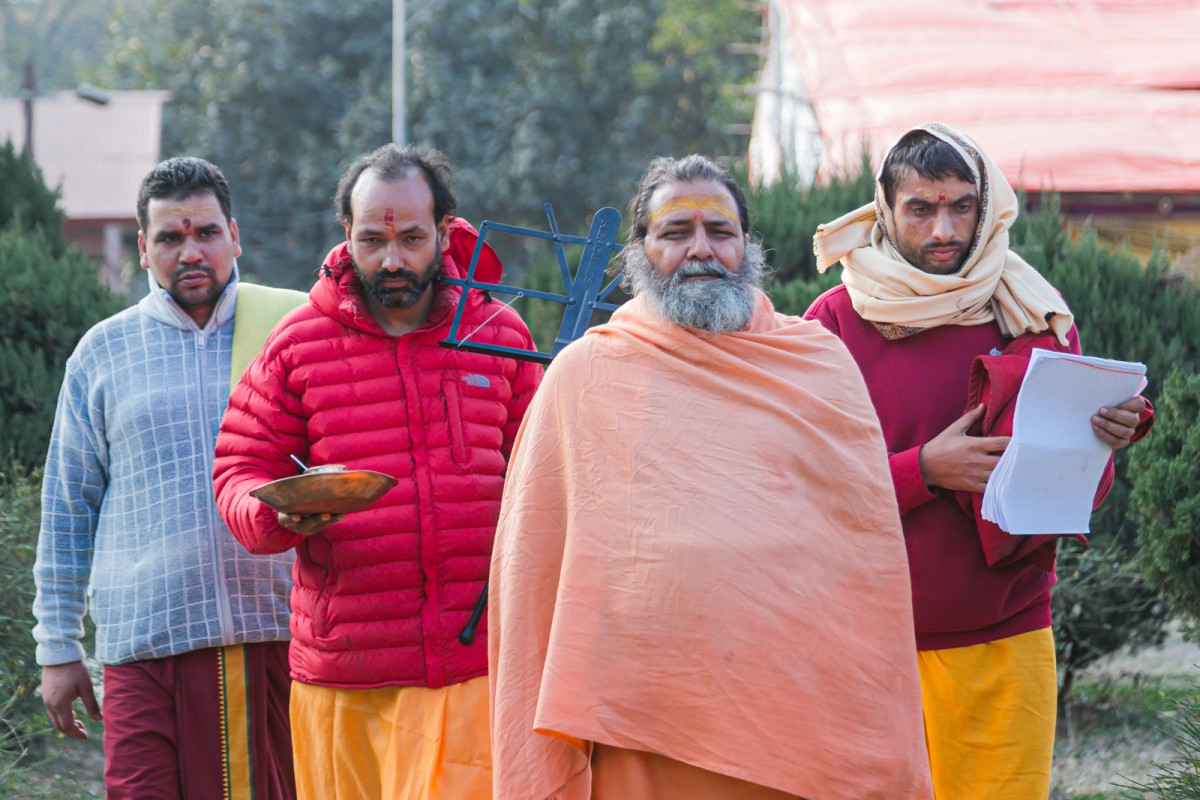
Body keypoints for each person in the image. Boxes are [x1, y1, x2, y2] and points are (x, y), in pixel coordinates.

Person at [489, 154, 933, 800]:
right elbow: (533, 573)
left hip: (798, 725)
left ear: (747, 245)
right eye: (675, 233)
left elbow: (865, 560)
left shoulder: (818, 364)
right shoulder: (584, 375)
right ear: (640, 251)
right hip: (639, 732)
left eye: (719, 232)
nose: (700, 250)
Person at [805, 122, 1153, 799]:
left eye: (962, 206)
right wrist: (924, 470)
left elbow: (1070, 493)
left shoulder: (1033, 311)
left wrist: (1102, 439)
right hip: (866, 643)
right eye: (920, 208)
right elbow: (801, 481)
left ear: (986, 206)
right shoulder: (835, 322)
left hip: (1006, 637)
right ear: (885, 209)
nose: (944, 230)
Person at [212, 143, 543, 800]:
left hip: (471, 663)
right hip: (342, 676)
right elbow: (239, 468)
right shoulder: (297, 342)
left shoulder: (499, 334)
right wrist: (275, 513)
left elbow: (550, 472)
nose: (392, 260)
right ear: (347, 234)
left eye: (411, 239)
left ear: (444, 232)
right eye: (372, 240)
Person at [33, 156, 304, 799]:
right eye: (170, 238)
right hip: (142, 647)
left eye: (206, 233)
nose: (191, 252)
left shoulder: (290, 334)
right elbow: (68, 508)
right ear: (142, 248)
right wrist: (58, 647)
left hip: (273, 634)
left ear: (234, 236)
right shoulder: (104, 352)